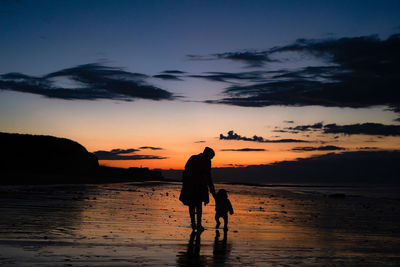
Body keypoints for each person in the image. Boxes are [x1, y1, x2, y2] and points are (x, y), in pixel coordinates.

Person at [179, 147, 216, 231]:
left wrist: (185, 185)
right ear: (207, 154)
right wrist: (212, 191)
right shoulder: (206, 161)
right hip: (198, 186)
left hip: (192, 185)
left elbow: (185, 172)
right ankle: (197, 224)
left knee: (192, 205)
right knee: (198, 205)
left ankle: (194, 224)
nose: (211, 159)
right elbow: (208, 177)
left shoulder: (193, 158)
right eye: (211, 157)